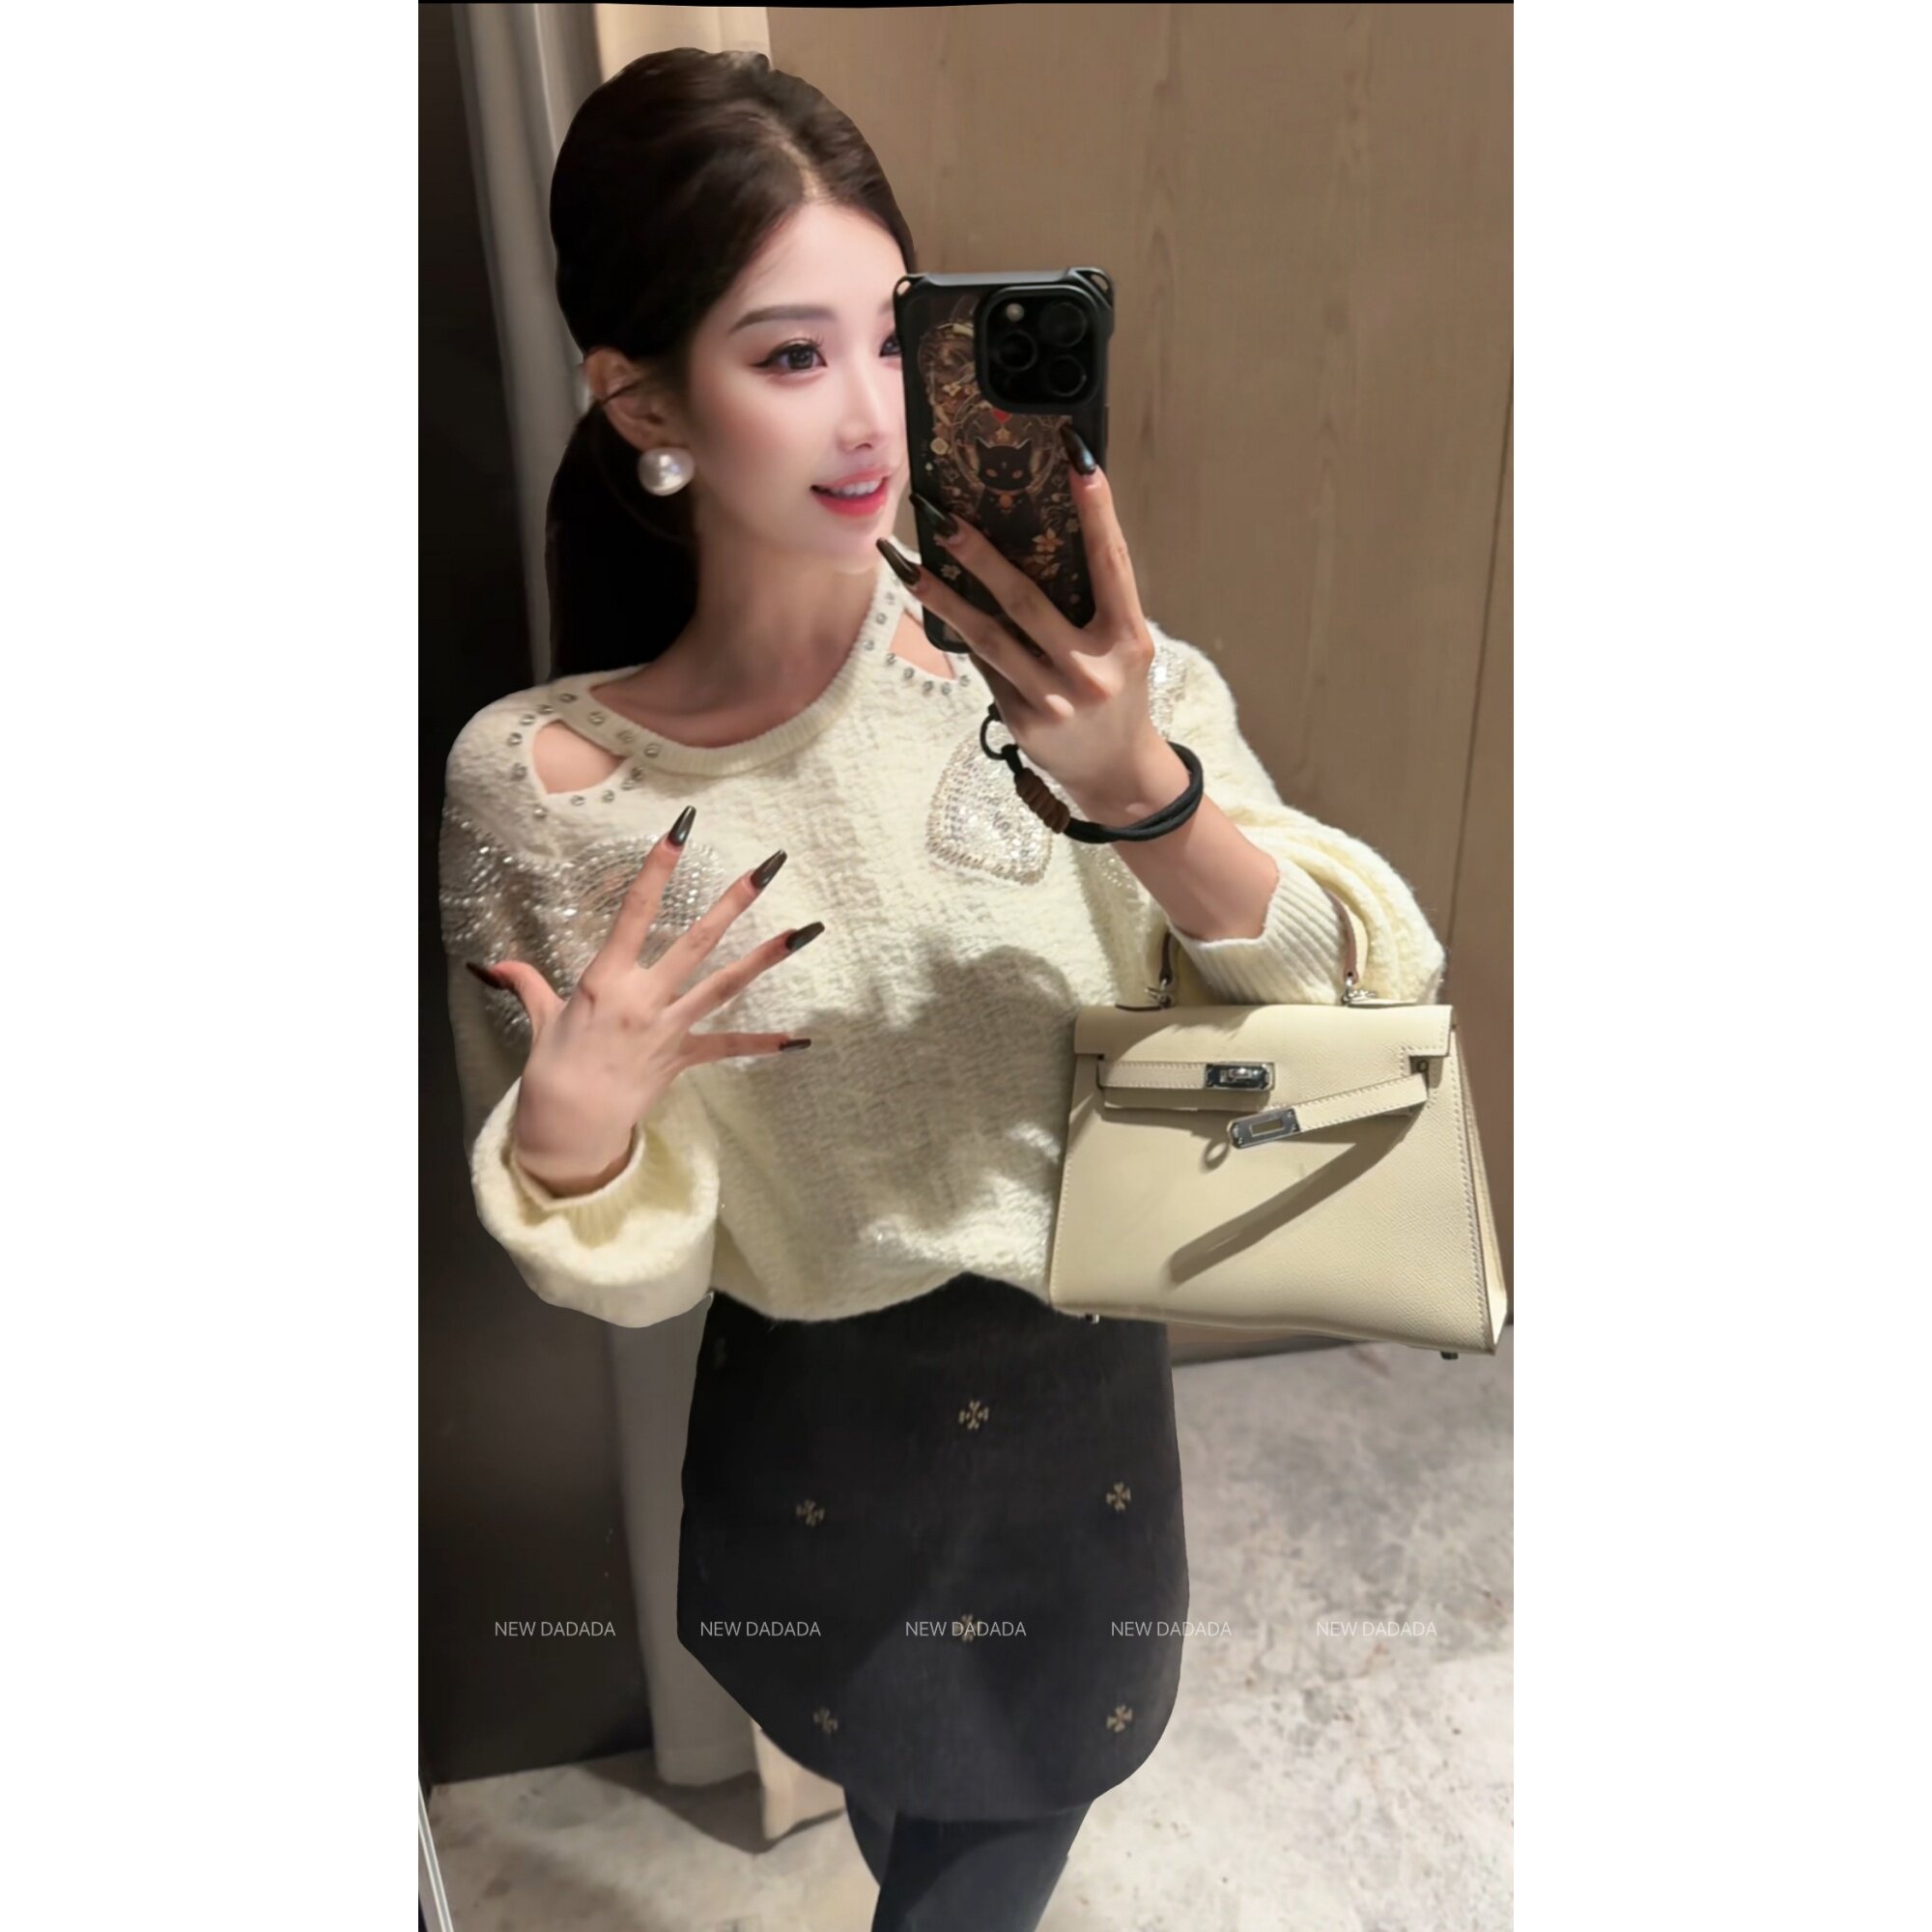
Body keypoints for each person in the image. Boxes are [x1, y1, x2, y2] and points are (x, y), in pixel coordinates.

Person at [439, 47, 1447, 1932]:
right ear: (641, 397)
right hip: (807, 1431)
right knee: (907, 1798)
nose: (870, 414)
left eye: (895, 339)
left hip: (1074, 1419)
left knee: (983, 1851)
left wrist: (1141, 793)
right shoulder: (548, 786)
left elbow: (1357, 1003)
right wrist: (574, 1138)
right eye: (788, 353)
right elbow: (635, 1268)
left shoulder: (1090, 679)